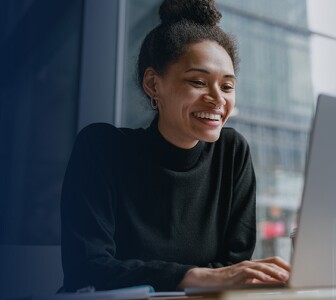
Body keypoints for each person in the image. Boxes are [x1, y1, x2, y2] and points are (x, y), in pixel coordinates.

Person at [61, 0, 290, 292]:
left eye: (227, 86)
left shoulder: (232, 152)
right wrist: (197, 277)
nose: (218, 98)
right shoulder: (101, 149)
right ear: (153, 84)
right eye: (198, 81)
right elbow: (87, 268)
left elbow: (234, 269)